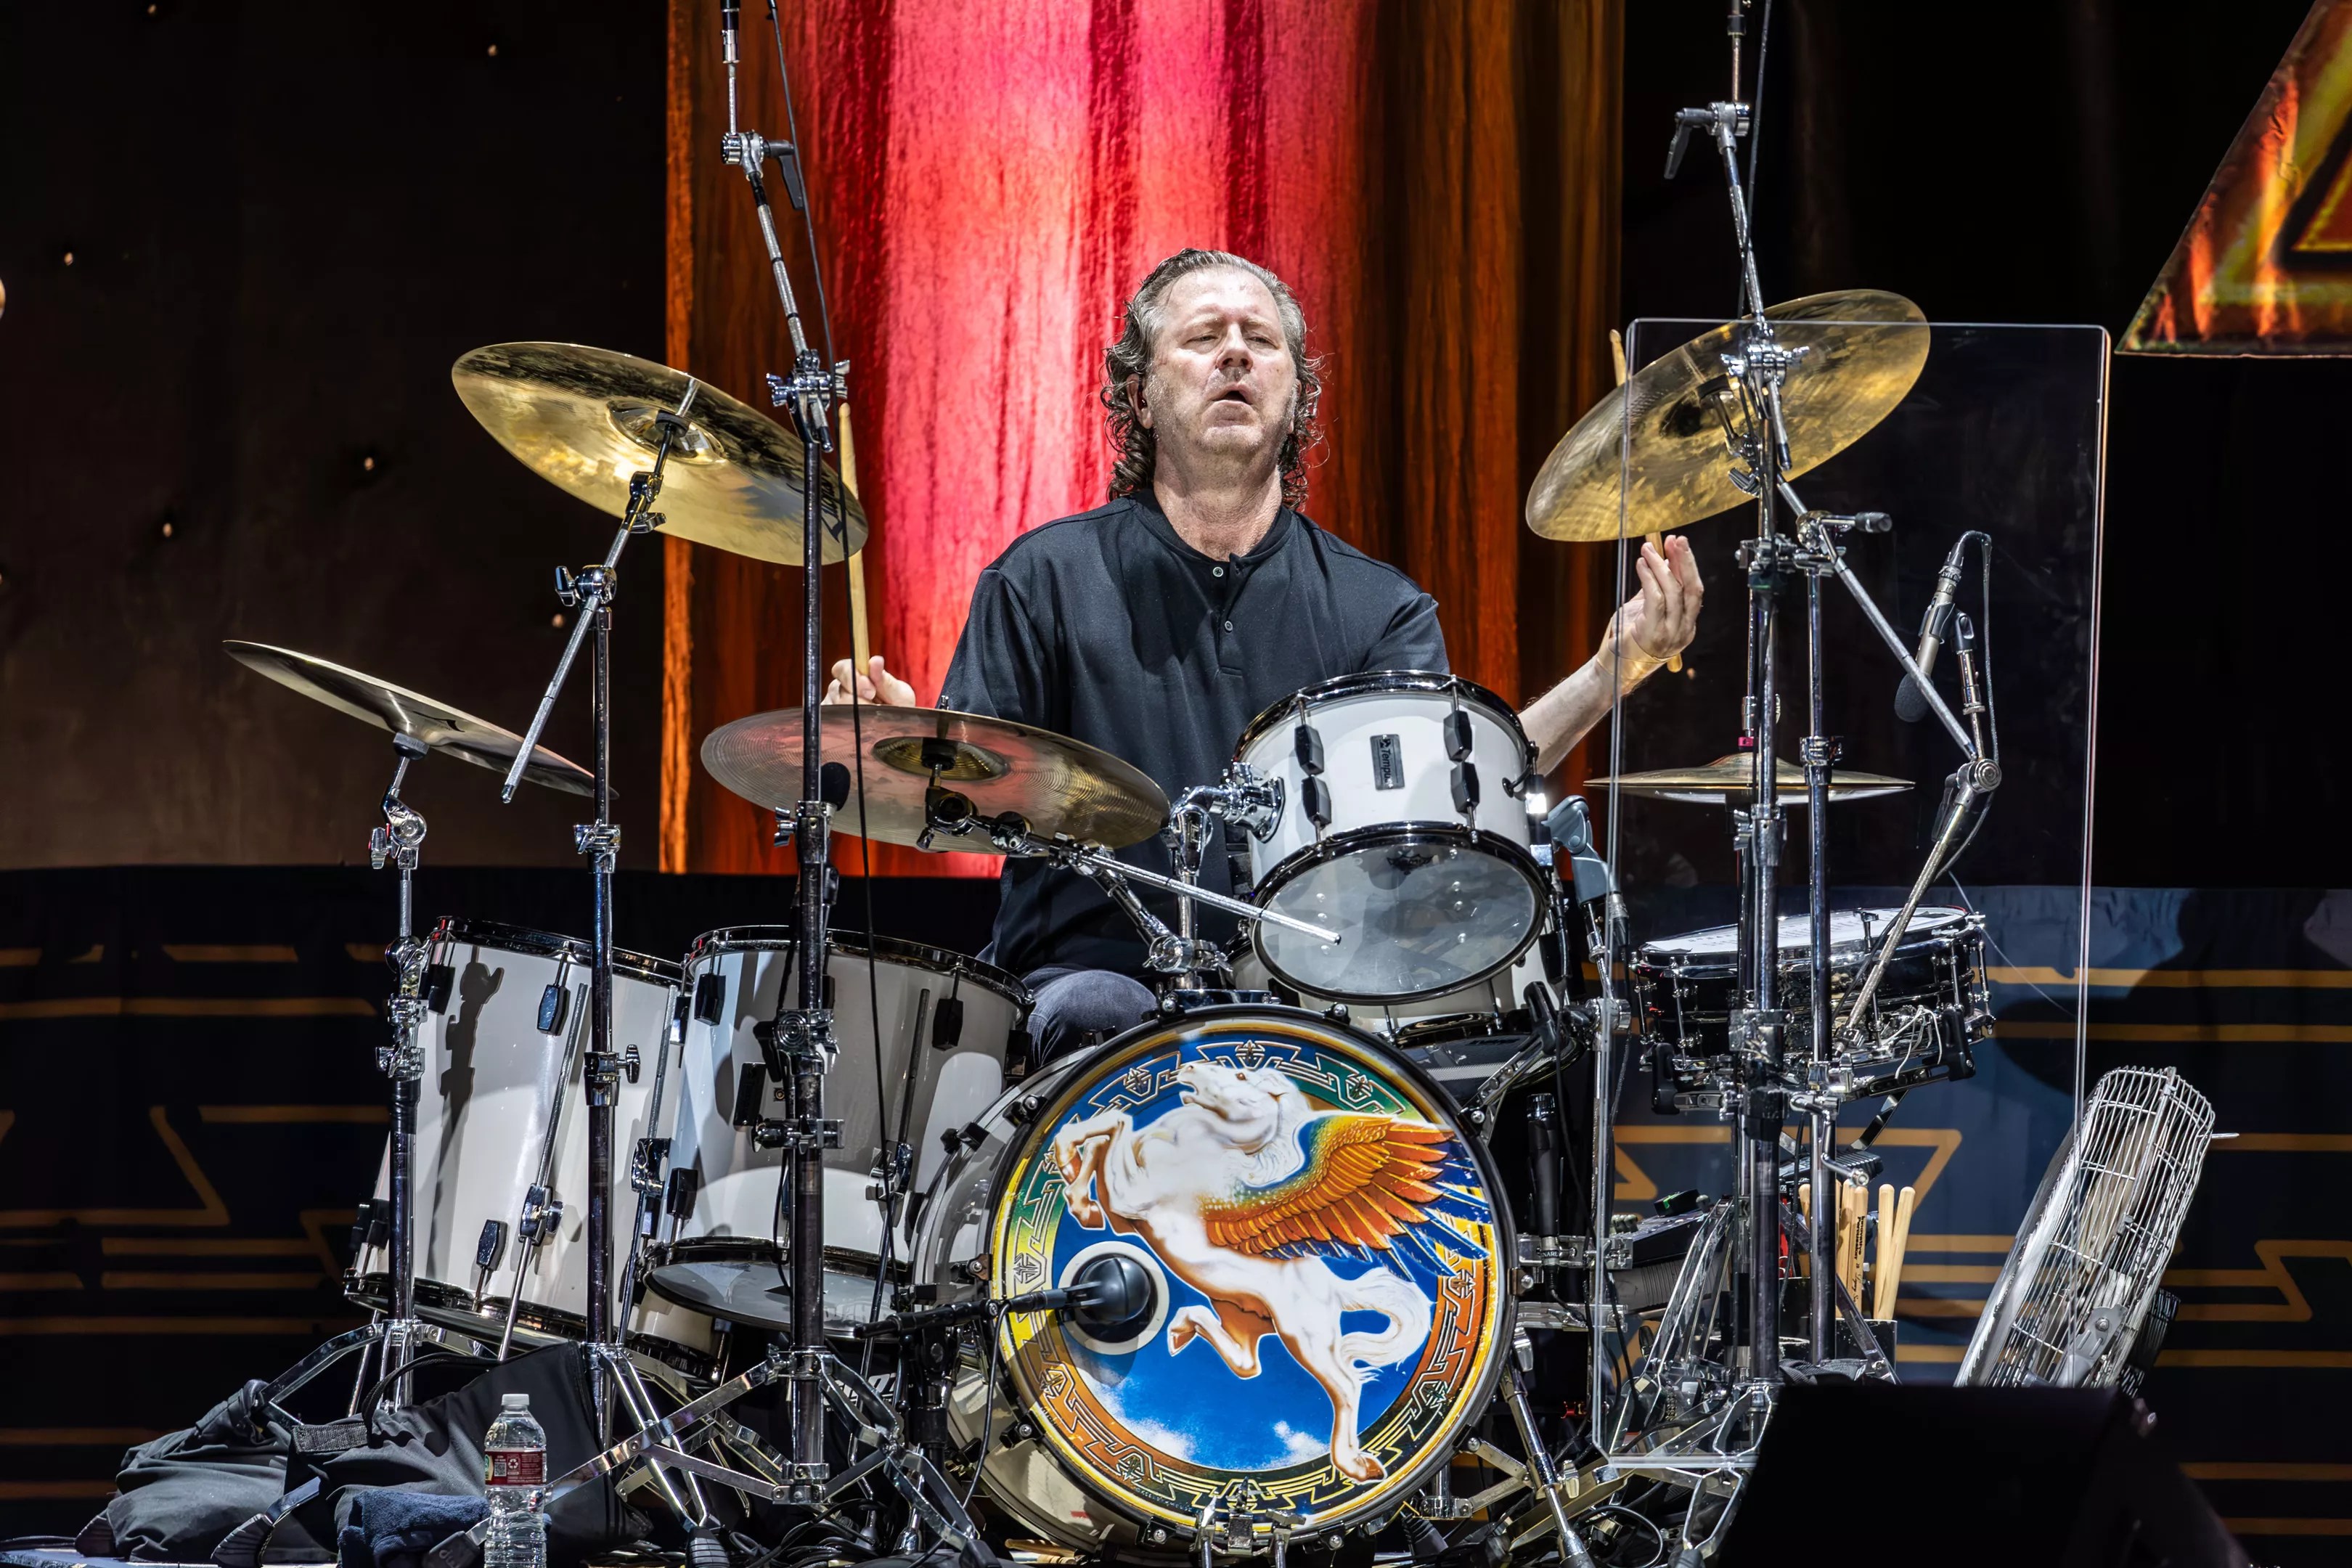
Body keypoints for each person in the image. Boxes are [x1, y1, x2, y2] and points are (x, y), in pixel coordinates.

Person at [828, 247, 1702, 1061]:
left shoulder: (1380, 607)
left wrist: (1610, 670)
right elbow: (964, 803)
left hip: (1323, 994)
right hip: (1094, 987)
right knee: (1101, 1009)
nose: (1236, 354)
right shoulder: (1042, 578)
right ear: (1140, 398)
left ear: (1297, 398)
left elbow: (1457, 786)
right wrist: (896, 754)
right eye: (1203, 338)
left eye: (1261, 340)